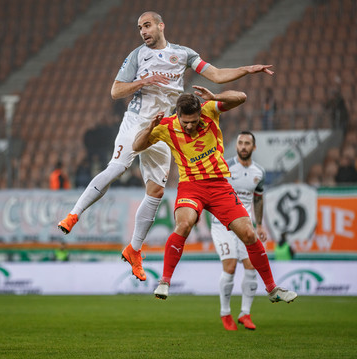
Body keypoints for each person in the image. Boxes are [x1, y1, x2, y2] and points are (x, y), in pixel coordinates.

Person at [58, 11, 274, 282]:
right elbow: (115, 91)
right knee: (118, 166)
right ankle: (73, 215)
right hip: (137, 122)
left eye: (147, 26)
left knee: (157, 190)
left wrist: (247, 70)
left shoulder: (183, 55)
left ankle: (134, 250)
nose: (143, 31)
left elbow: (217, 75)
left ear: (161, 26)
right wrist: (142, 81)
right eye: (139, 28)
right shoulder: (137, 55)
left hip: (164, 127)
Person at [132, 88, 297, 306]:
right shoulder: (166, 126)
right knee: (184, 224)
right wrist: (150, 128)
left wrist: (216, 97)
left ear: (199, 113)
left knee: (248, 233)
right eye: (186, 122)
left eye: (194, 121)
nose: (190, 126)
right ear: (178, 115)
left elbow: (242, 97)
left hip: (220, 186)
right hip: (191, 186)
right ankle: (165, 281)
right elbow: (136, 146)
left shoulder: (210, 110)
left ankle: (272, 288)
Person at [210, 131, 266, 331]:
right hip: (221, 224)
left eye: (247, 143)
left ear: (254, 147)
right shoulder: (225, 167)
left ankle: (245, 313)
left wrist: (259, 225)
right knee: (231, 266)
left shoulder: (259, 172)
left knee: (251, 266)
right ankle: (225, 313)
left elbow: (258, 198)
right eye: (240, 142)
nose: (243, 146)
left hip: (245, 225)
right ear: (236, 146)